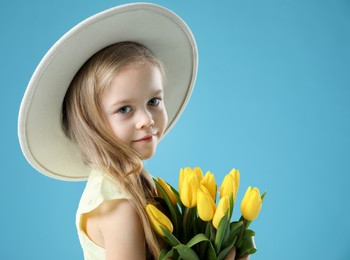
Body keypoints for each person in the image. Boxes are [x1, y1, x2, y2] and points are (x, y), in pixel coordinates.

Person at [18, 3, 248, 260]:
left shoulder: (131, 184)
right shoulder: (119, 208)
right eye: (125, 109)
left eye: (154, 102)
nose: (146, 120)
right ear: (90, 123)